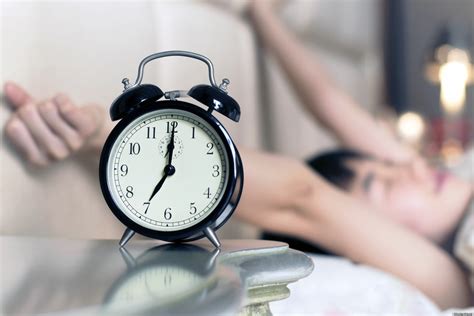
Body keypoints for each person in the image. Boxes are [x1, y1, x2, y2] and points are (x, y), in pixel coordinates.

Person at [2, 6, 472, 310]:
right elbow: (303, 198)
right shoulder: (447, 277)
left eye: (392, 169)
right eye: (382, 184)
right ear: (369, 242)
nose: (412, 167)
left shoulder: (446, 175)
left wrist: (260, 12)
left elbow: (330, 102)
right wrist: (106, 134)